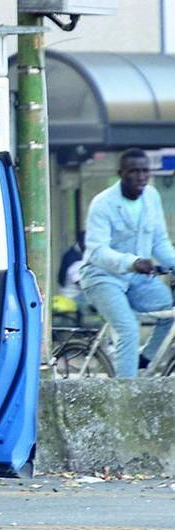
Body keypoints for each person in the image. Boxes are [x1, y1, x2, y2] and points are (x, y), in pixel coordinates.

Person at [79, 148, 175, 378]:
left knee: (168, 311)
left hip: (137, 278)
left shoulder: (151, 197)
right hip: (101, 277)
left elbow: (159, 242)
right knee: (128, 328)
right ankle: (126, 395)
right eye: (134, 171)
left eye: (145, 171)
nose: (141, 177)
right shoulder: (102, 204)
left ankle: (144, 359)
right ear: (121, 173)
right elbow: (97, 251)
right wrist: (132, 262)